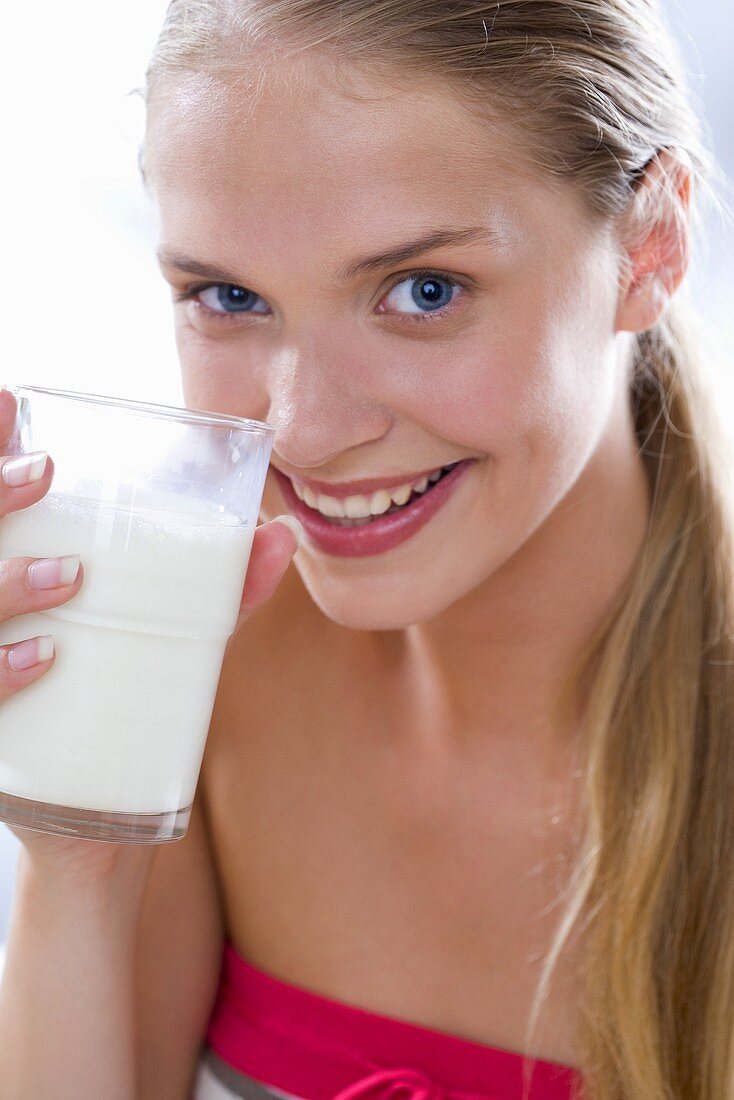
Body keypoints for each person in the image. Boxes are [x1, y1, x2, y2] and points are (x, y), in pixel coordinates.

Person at [0, 1, 733, 1097]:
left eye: (422, 292)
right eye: (228, 296)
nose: (298, 429)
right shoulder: (207, 657)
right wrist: (80, 848)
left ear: (650, 243)